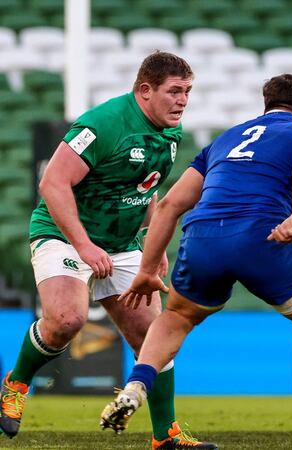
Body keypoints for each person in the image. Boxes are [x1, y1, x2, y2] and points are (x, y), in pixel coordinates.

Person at [99, 74, 292, 450]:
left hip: (203, 237)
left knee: (174, 318)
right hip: (261, 235)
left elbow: (171, 205)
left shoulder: (225, 139)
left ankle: (136, 384)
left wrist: (147, 268)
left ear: (266, 106)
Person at [0, 51, 216, 449]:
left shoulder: (171, 130)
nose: (183, 100)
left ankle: (164, 437)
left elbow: (146, 187)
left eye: (187, 91)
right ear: (145, 90)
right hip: (65, 236)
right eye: (174, 91)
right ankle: (16, 384)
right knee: (66, 320)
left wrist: (152, 245)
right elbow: (52, 183)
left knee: (156, 339)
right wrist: (83, 245)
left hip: (123, 244)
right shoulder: (103, 124)